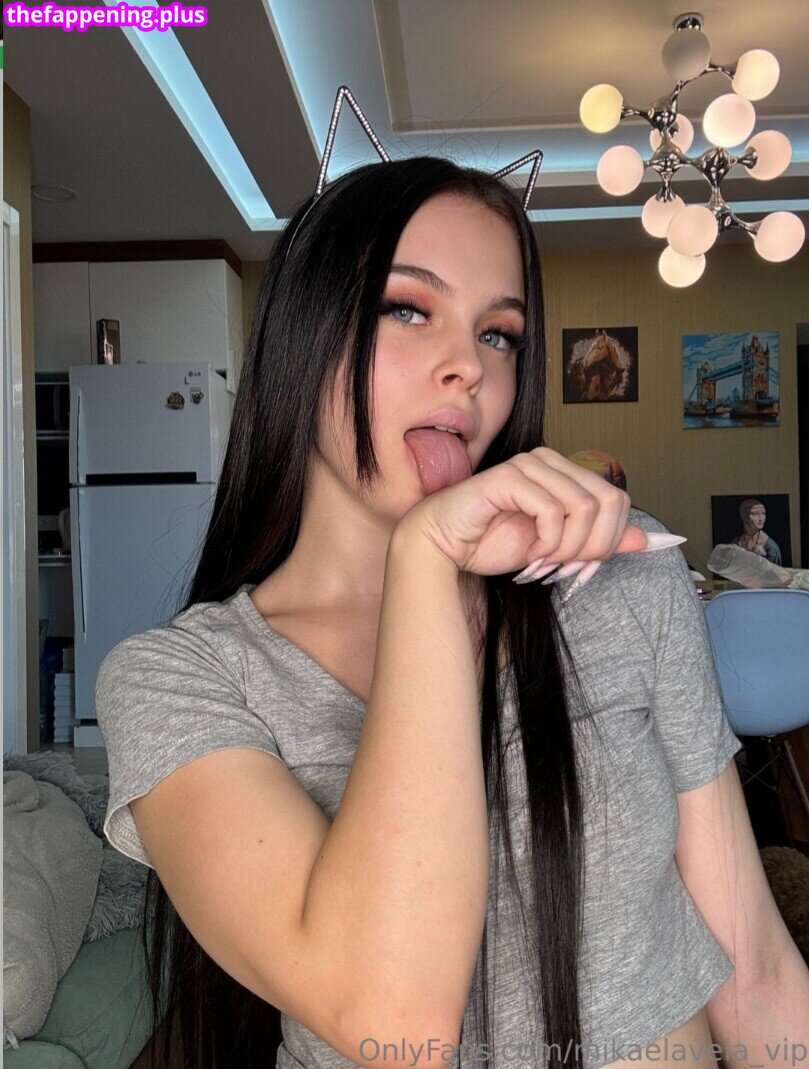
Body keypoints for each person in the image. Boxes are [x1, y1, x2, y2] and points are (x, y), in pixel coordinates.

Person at [95, 156, 809, 1069]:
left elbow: (752, 963)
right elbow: (395, 1019)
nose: (468, 367)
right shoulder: (178, 679)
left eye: (499, 334)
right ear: (302, 335)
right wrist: (425, 565)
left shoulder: (623, 578)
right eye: (406, 309)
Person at [732, 498, 783, 566]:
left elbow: (775, 571)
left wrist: (762, 559)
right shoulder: (736, 543)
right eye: (755, 514)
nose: (761, 519)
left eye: (763, 513)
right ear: (745, 516)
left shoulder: (771, 548)